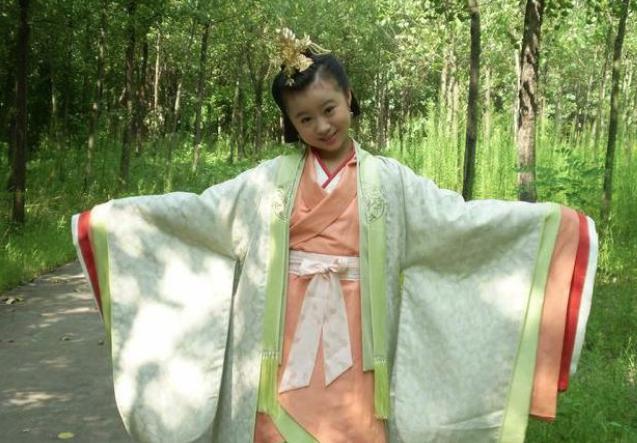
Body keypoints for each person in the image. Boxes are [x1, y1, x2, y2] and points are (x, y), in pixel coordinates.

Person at [71, 29, 598, 443]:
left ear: (349, 97)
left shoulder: (389, 181)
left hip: (361, 338)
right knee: (273, 426)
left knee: (358, 426)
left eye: (329, 109)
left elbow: (455, 221)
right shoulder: (265, 183)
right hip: (281, 339)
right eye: (305, 119)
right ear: (291, 124)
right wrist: (115, 224)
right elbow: (202, 214)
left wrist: (550, 227)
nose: (322, 126)